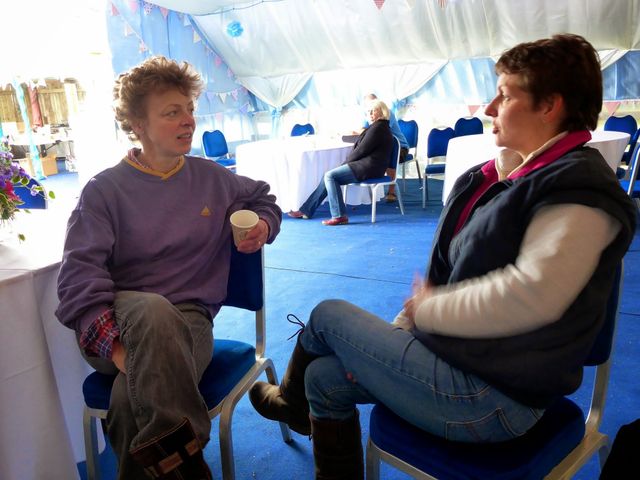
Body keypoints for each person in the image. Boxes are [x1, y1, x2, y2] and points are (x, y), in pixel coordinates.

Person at [248, 33, 636, 479]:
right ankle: (300, 403)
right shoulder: (502, 179)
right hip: (458, 363)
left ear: (550, 105)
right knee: (324, 380)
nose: (490, 108)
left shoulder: (581, 191)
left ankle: (289, 403)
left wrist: (429, 311)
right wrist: (404, 330)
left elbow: (531, 296)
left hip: (495, 399)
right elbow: (449, 274)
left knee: (328, 315)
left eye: (505, 95)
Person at [55, 56, 282, 479]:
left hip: (189, 321)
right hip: (118, 325)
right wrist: (123, 353)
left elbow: (264, 200)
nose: (188, 121)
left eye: (190, 109)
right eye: (172, 112)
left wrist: (263, 226)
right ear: (138, 124)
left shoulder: (212, 177)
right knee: (153, 312)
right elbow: (78, 278)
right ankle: (189, 463)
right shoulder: (103, 191)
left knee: (128, 400)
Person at [288, 98, 393, 225]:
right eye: (368, 112)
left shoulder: (378, 128)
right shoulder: (379, 127)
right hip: (370, 166)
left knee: (330, 176)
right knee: (329, 175)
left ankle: (339, 215)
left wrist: (345, 164)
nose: (370, 114)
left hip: (369, 168)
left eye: (373, 111)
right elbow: (361, 144)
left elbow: (361, 151)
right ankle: (306, 210)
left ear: (382, 112)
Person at [358, 93, 409, 202]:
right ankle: (371, 189)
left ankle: (391, 192)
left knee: (387, 155)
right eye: (368, 106)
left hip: (400, 147)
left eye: (373, 104)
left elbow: (381, 130)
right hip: (383, 145)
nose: (370, 109)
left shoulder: (387, 113)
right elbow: (363, 129)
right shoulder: (367, 113)